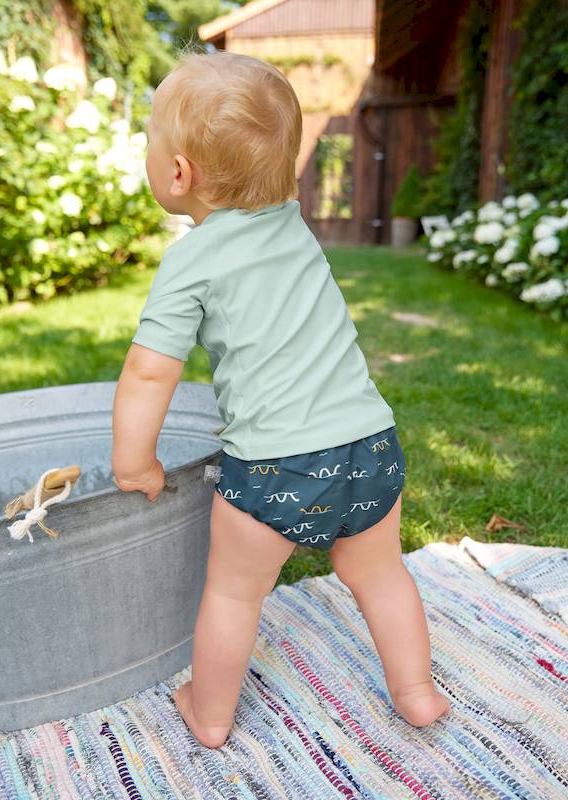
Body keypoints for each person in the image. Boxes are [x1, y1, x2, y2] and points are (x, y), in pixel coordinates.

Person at [111, 48, 450, 750]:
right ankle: (416, 692)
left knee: (235, 592)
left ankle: (207, 714)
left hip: (275, 471)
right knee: (380, 574)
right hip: (369, 449)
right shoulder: (292, 224)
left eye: (150, 137)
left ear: (178, 173)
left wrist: (134, 459)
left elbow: (149, 370)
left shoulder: (190, 260)